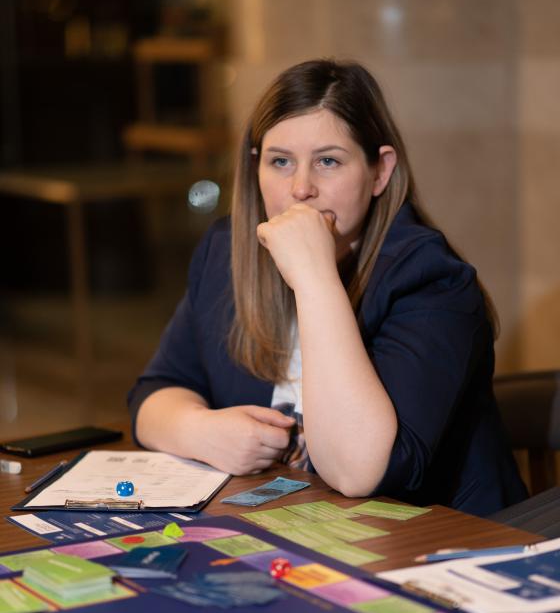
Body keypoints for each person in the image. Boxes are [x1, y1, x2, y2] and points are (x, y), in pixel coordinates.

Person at [128, 58, 527, 516]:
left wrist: (314, 276)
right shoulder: (226, 250)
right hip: (295, 526)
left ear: (380, 172)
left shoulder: (431, 279)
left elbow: (358, 472)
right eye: (280, 161)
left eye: (328, 161)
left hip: (446, 540)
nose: (301, 188)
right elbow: (155, 393)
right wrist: (201, 430)